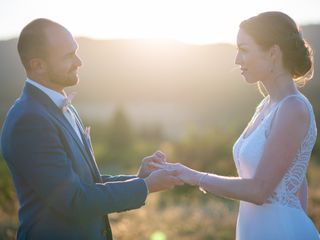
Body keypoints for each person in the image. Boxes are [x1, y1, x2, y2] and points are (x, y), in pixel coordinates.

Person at [0, 18, 183, 240]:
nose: (79, 62)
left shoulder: (62, 107)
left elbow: (86, 184)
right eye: (68, 56)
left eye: (76, 52)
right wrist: (145, 187)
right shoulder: (29, 120)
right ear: (38, 65)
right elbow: (73, 199)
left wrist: (139, 178)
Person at [153, 11, 319, 239]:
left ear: (272, 53)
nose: (236, 60)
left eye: (244, 49)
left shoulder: (293, 108)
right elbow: (297, 185)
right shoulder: (266, 106)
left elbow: (259, 190)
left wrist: (193, 176)